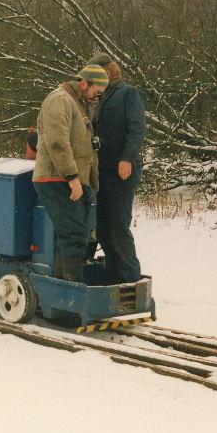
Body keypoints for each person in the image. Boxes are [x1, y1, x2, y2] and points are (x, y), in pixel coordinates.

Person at [33, 64, 108, 283]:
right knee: (74, 235)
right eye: (97, 92)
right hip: (56, 178)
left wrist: (91, 183)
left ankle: (65, 283)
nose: (97, 97)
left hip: (72, 180)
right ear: (84, 83)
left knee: (74, 236)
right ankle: (72, 291)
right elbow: (57, 142)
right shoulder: (60, 100)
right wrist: (72, 178)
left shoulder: (79, 104)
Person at [87, 53, 146, 283]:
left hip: (122, 170)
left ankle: (131, 279)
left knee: (118, 225)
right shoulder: (99, 97)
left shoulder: (128, 93)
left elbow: (137, 128)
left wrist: (127, 158)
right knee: (101, 227)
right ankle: (113, 276)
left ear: (109, 70)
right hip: (102, 171)